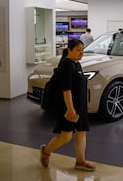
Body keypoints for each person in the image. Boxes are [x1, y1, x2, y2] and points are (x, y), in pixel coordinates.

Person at [39, 39, 95, 171]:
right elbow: (66, 89)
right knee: (66, 136)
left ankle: (80, 161)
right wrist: (70, 108)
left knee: (82, 132)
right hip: (69, 107)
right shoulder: (66, 65)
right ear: (69, 50)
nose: (81, 53)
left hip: (80, 107)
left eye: (82, 50)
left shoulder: (77, 64)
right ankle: (46, 151)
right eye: (78, 50)